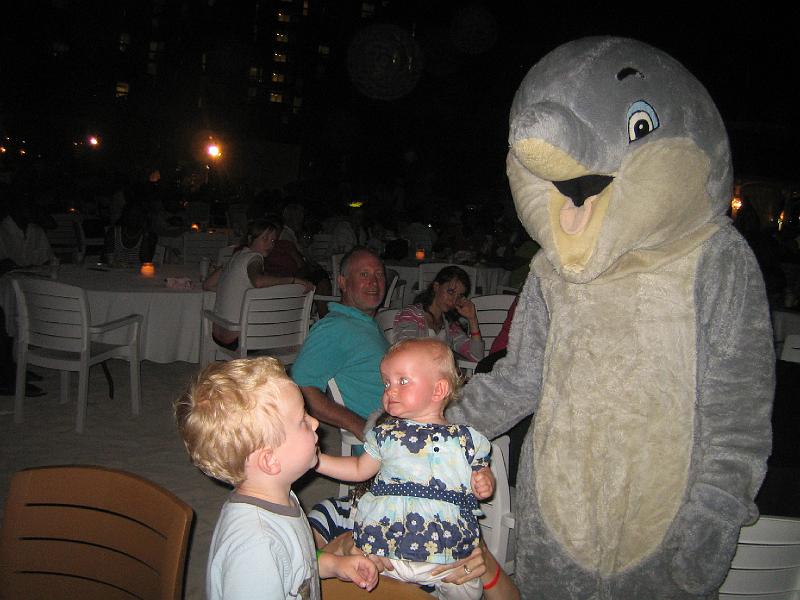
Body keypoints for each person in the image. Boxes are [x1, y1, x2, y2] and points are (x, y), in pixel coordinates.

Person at [175, 356, 379, 600]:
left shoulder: (280, 494)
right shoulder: (256, 550)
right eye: (302, 420)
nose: (315, 423)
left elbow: (294, 565)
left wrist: (332, 564)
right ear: (270, 461)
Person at [316, 338, 495, 599]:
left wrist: (484, 479)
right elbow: (357, 468)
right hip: (388, 548)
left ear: (438, 390)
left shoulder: (465, 439)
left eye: (402, 381)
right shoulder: (385, 435)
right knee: (365, 569)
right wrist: (318, 461)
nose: (390, 390)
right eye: (387, 383)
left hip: (447, 556)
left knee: (468, 591)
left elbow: (479, 468)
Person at [291, 247, 388, 439]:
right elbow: (301, 387)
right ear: (343, 282)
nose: (374, 282)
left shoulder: (363, 322)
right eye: (364, 274)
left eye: (379, 274)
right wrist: (361, 427)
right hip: (385, 439)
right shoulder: (334, 328)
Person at [202, 218, 313, 349]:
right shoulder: (254, 257)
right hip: (238, 338)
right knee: (296, 325)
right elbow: (258, 281)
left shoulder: (235, 257)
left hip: (218, 333)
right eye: (264, 239)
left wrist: (232, 291)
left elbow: (207, 285)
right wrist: (293, 280)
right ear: (251, 239)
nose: (270, 244)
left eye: (273, 241)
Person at [393, 266, 484, 362]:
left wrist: (472, 319)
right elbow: (404, 354)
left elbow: (476, 357)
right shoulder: (411, 315)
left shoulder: (449, 325)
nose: (453, 300)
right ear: (436, 287)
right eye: (450, 292)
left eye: (459, 296)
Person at [103, 200, 158, 266]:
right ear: (125, 215)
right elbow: (107, 259)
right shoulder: (113, 233)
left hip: (137, 274)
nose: (134, 218)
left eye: (138, 215)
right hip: (115, 272)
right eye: (131, 215)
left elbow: (145, 261)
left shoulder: (150, 236)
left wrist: (145, 235)